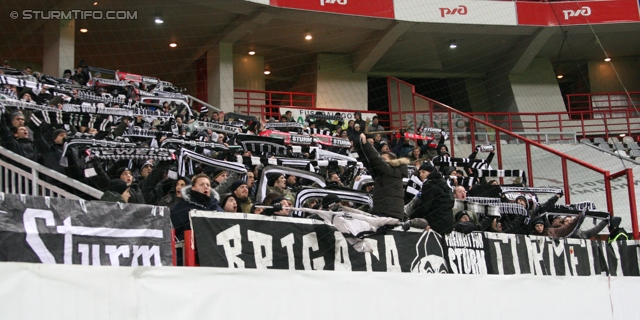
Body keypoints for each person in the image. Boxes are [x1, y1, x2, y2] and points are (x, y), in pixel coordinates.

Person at [355, 133, 408, 220]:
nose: (382, 162)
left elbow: (376, 160)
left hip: (389, 214)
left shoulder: (393, 171)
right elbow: (369, 163)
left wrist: (366, 143)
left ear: (393, 161)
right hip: (383, 212)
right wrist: (359, 146)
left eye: (384, 160)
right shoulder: (382, 174)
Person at [171, 173, 223, 240]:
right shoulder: (182, 206)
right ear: (193, 188)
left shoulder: (217, 208)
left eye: (208, 185)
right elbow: (172, 233)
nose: (205, 186)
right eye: (201, 184)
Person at [412, 162, 455, 234]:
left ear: (430, 172)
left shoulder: (429, 184)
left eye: (423, 172)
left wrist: (412, 217)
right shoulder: (444, 182)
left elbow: (425, 206)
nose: (421, 175)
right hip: (448, 223)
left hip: (435, 224)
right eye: (420, 172)